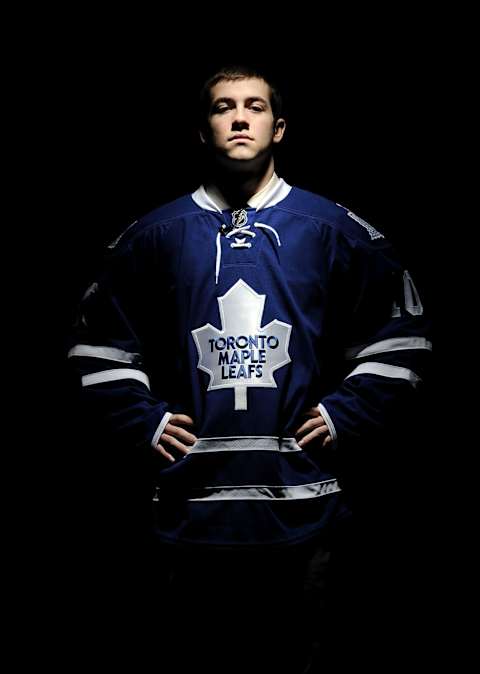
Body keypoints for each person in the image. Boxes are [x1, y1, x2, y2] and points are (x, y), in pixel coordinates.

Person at [67, 65, 431, 672]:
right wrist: (145, 422)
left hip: (304, 507)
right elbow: (93, 343)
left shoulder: (332, 229)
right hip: (188, 510)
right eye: (223, 106)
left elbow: (406, 332)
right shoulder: (154, 235)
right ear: (202, 130)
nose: (239, 117)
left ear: (278, 127)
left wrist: (348, 413)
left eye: (255, 106)